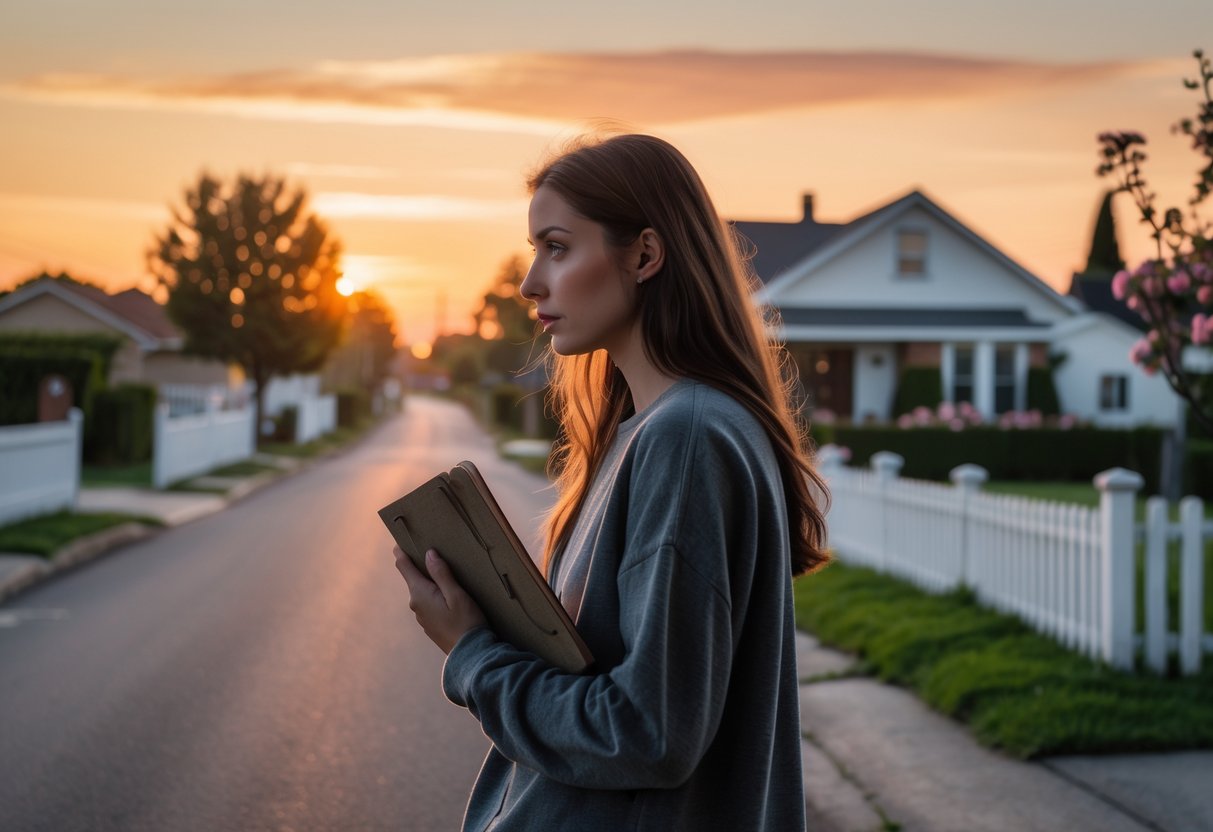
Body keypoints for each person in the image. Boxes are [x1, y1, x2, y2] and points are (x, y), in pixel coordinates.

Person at [393, 133, 829, 831]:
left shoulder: (685, 439)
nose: (530, 281)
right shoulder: (645, 432)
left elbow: (647, 735)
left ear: (646, 256)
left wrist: (473, 654)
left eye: (557, 247)